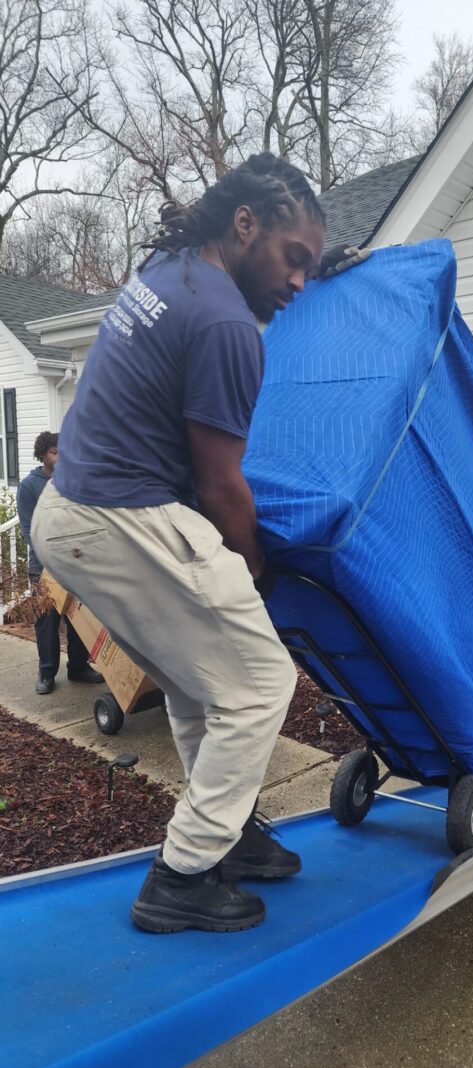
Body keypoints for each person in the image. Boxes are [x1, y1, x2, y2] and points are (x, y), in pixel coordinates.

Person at [32, 152, 366, 934]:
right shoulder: (223, 324)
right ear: (244, 224)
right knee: (256, 681)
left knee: (199, 680)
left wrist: (323, 264)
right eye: (292, 259)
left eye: (309, 269)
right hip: (119, 517)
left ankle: (229, 832)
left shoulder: (170, 270)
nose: (297, 283)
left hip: (73, 510)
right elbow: (221, 490)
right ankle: (182, 876)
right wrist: (252, 567)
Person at [16, 431, 104, 695]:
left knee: (79, 620)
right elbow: (30, 530)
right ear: (42, 454)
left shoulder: (72, 481)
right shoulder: (30, 486)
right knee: (47, 621)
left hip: (75, 564)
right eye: (55, 451)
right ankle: (46, 672)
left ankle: (78, 667)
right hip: (43, 567)